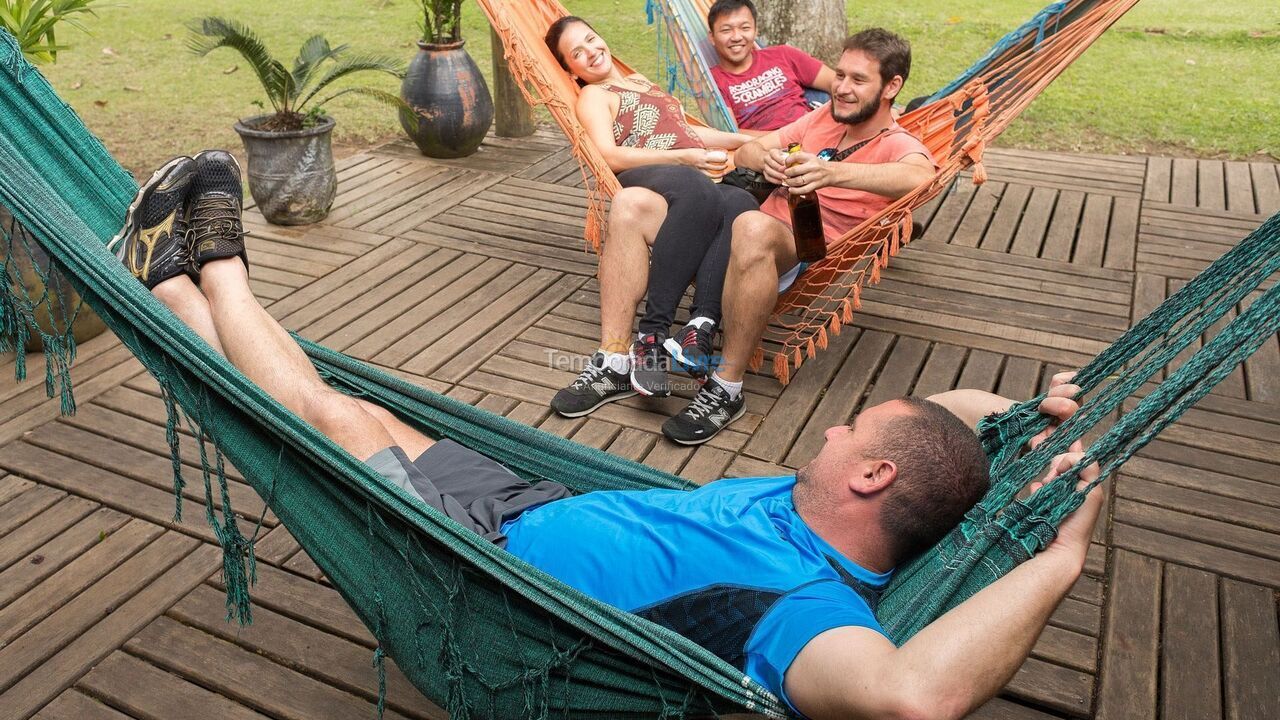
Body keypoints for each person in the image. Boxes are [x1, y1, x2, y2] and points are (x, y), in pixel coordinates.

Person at [116, 152, 1101, 720]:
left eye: (851, 428)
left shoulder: (804, 612)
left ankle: (213, 270)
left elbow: (910, 701)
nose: (831, 426)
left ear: (874, 476)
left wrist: (1057, 562)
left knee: (329, 419)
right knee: (361, 408)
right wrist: (1027, 413)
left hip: (497, 581)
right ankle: (169, 280)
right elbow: (954, 426)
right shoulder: (838, 506)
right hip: (531, 511)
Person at [662, 28, 937, 445]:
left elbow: (922, 176)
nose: (841, 88)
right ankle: (622, 353)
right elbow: (748, 151)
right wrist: (768, 159)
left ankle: (726, 389)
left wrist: (834, 173)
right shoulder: (824, 116)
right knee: (635, 209)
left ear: (892, 86)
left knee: (750, 226)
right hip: (746, 231)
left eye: (858, 80)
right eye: (840, 75)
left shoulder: (898, 144)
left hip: (803, 247)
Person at [543, 16, 758, 411]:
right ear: (569, 68)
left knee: (739, 203)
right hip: (648, 173)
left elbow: (691, 133)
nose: (591, 51)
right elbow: (608, 154)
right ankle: (652, 336)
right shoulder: (594, 95)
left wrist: (746, 141)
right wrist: (684, 159)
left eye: (592, 39)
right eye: (577, 53)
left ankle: (699, 327)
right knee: (698, 187)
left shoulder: (640, 81)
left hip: (686, 179)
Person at [706, 0, 837, 134]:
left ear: (755, 31)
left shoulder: (783, 54)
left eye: (745, 28)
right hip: (769, 148)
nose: (736, 37)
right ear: (712, 37)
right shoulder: (712, 82)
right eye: (726, 30)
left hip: (816, 130)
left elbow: (838, 84)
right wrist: (787, 137)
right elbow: (731, 134)